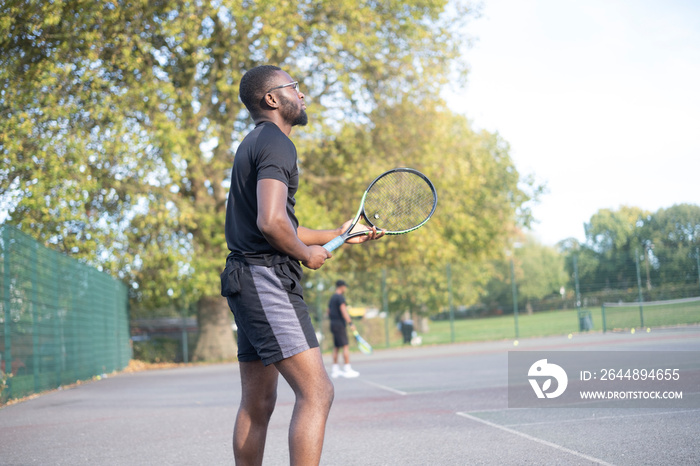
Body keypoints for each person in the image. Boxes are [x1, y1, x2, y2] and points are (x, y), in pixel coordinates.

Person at [220, 65, 382, 466]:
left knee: (258, 402)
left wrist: (336, 232)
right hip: (265, 280)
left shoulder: (254, 142)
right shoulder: (278, 143)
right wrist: (306, 254)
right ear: (272, 99)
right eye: (294, 87)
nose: (303, 94)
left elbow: (284, 225)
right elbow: (271, 223)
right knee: (318, 392)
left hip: (245, 278)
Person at [327, 280, 359, 378]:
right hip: (340, 325)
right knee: (345, 346)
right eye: (345, 287)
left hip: (333, 324)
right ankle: (347, 369)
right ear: (341, 286)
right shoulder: (340, 298)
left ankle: (335, 370)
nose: (345, 288)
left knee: (336, 347)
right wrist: (350, 323)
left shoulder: (332, 298)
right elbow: (344, 311)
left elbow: (328, 311)